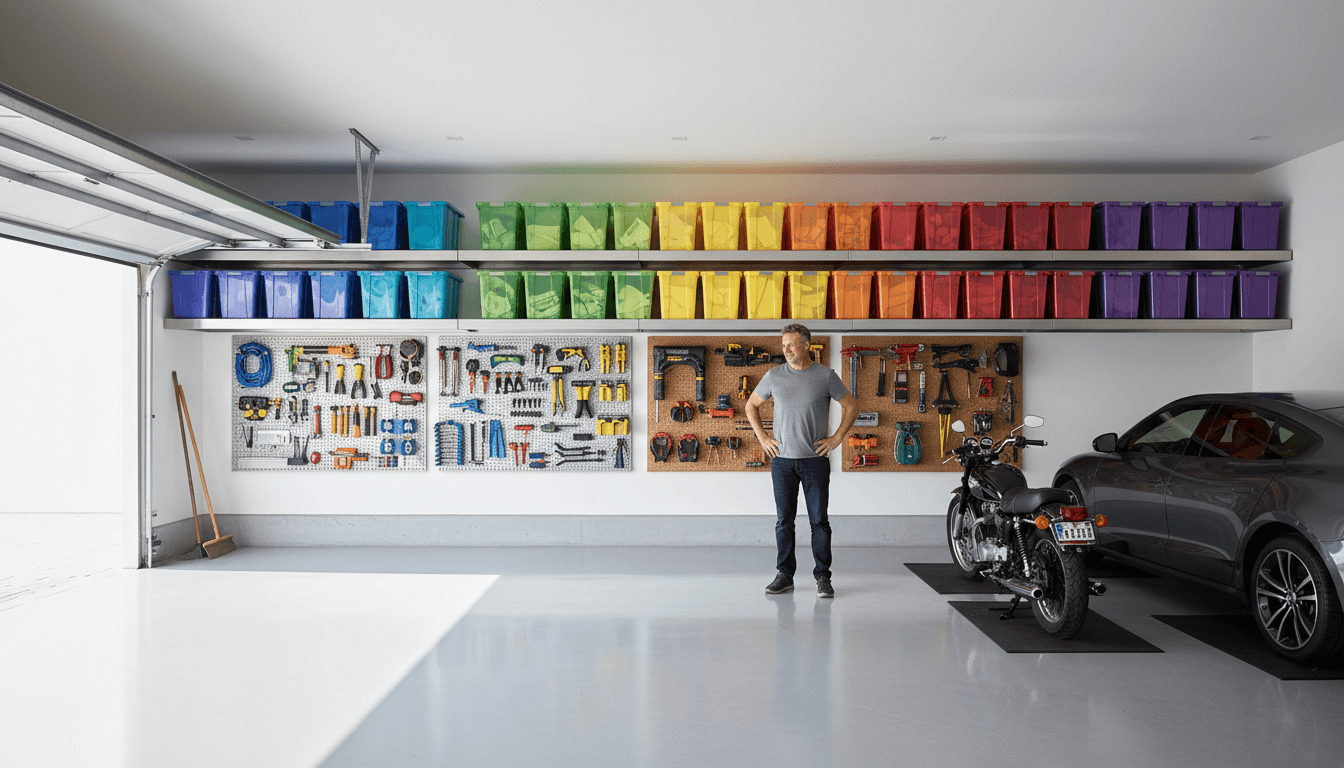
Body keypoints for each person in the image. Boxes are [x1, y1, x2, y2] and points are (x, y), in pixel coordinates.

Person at [745, 324, 860, 598]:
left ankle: (823, 577)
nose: (786, 350)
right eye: (783, 345)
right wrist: (763, 439)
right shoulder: (774, 376)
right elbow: (751, 405)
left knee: (819, 521)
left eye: (792, 344)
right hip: (782, 462)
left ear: (807, 345)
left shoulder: (825, 376)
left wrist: (836, 439)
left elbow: (852, 406)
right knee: (784, 521)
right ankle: (785, 575)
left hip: (814, 461)